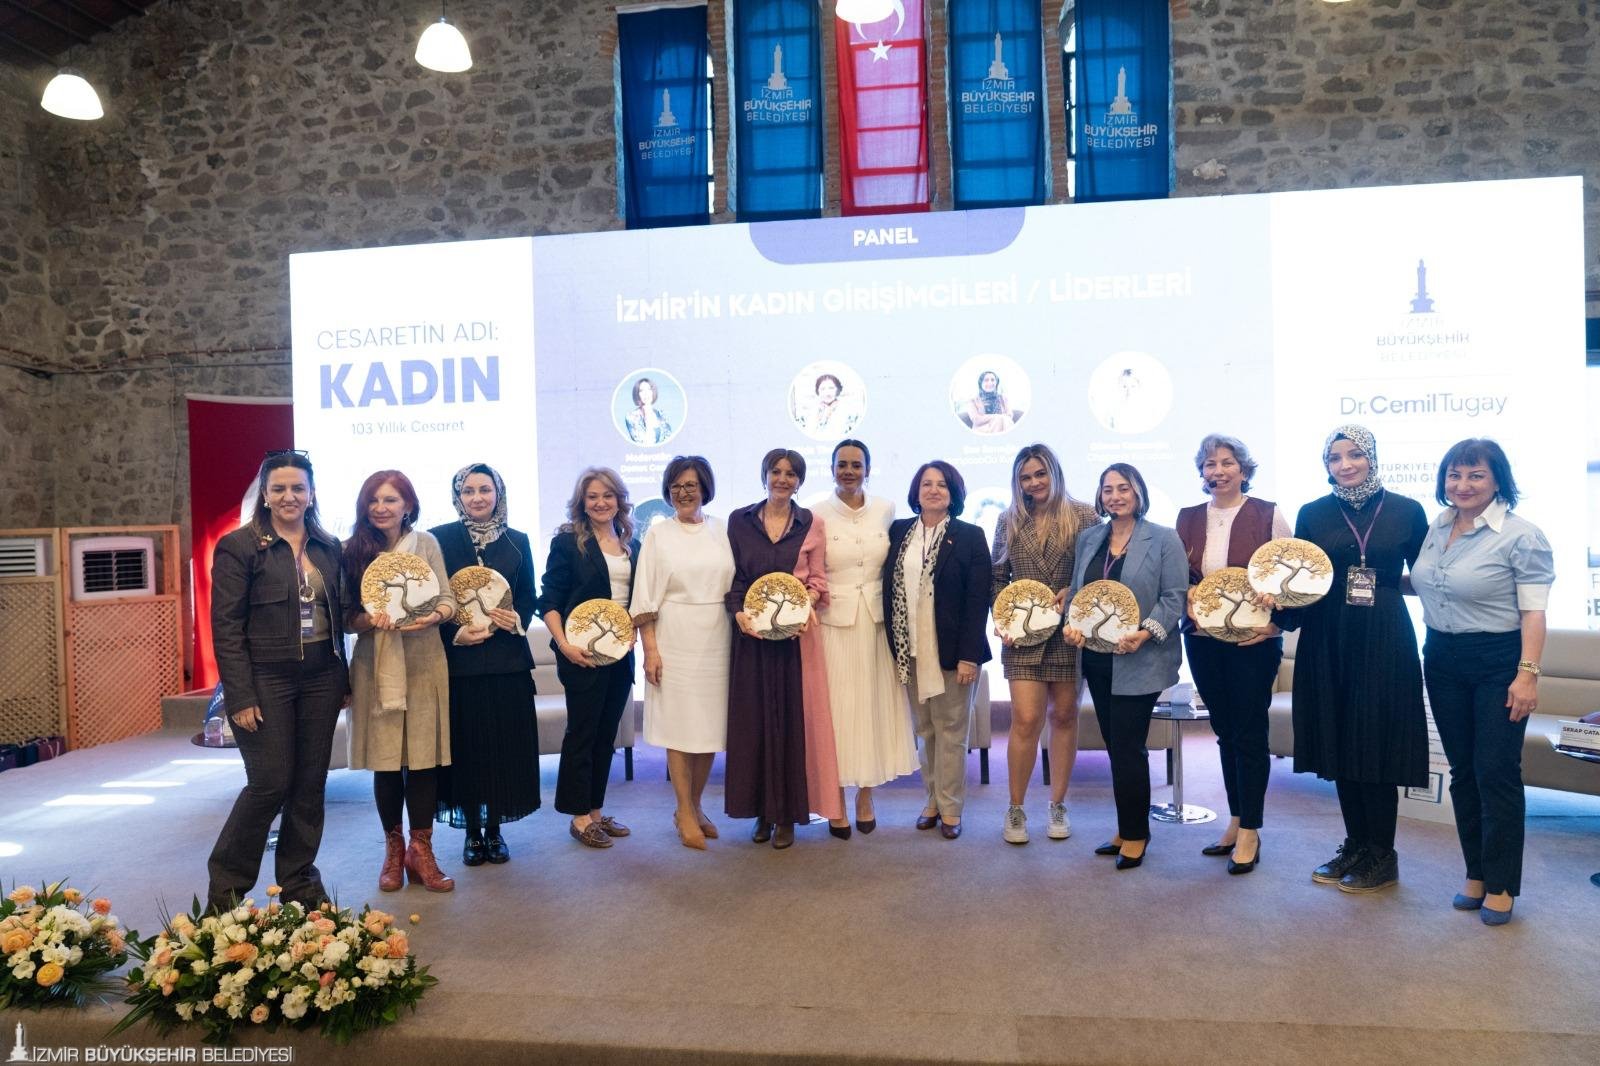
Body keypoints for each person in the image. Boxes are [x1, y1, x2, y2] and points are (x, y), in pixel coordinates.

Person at [1278, 425, 1429, 893]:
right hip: (1328, 636)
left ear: (1372, 457)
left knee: (1377, 739)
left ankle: (1382, 853)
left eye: (1355, 454)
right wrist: (1276, 609)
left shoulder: (1407, 510)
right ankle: (1356, 845)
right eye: (1335, 457)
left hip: (1384, 636)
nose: (1345, 465)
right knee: (1341, 738)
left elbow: (1428, 577)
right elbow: (1302, 580)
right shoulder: (1313, 513)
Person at [1412, 439, 1552, 924]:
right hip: (1441, 658)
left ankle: (1502, 883)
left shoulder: (1521, 536)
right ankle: (1476, 872)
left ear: (1497, 481)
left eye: (1476, 475)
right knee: (1464, 771)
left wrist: (1527, 675)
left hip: (1498, 661)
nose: (1463, 485)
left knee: (1496, 772)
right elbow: (1433, 584)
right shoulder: (1438, 526)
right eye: (1454, 475)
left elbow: (1534, 613)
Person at [206, 451, 348, 913]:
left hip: (323, 677)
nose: (290, 496)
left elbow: (343, 612)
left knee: (309, 783)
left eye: (298, 488)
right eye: (279, 488)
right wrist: (239, 694)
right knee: (269, 782)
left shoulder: (328, 546)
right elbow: (226, 628)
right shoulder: (239, 547)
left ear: (311, 494)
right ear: (265, 495)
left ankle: (300, 884)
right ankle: (225, 894)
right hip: (266, 677)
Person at [1175, 434, 1291, 874]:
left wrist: (1277, 625)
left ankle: (1251, 830)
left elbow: (1290, 581)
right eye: (1210, 464)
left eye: (1227, 463)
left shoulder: (1268, 514)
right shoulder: (1187, 518)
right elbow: (1179, 577)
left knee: (1249, 733)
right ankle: (1236, 819)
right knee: (1225, 731)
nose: (1218, 471)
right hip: (1202, 640)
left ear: (1243, 469)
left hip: (1252, 644)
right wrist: (1187, 594)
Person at [1062, 463, 1186, 869]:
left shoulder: (1164, 538)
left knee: (1129, 746)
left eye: (1123, 488)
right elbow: (1078, 593)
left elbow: (1174, 596)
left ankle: (1135, 834)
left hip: (1141, 658)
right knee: (1116, 746)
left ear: (1138, 493)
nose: (1115, 496)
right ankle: (1126, 826)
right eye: (1108, 489)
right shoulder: (1089, 538)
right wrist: (1072, 626)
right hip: (1097, 657)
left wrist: (1145, 633)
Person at [344, 470, 458, 892]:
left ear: (407, 505)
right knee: (388, 759)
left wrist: (433, 616)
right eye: (373, 500)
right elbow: (346, 617)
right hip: (375, 665)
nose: (381, 508)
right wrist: (369, 620)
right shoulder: (352, 549)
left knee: (423, 759)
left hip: (425, 661)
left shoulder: (426, 544)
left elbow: (447, 599)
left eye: (390, 500)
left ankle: (420, 851)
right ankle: (393, 851)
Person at [725, 448, 845, 848]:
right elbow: (736, 579)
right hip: (751, 640)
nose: (782, 479)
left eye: (791, 474)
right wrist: (738, 614)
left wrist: (802, 605)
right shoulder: (740, 521)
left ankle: (787, 816)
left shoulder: (812, 522)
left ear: (800, 481)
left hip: (795, 641)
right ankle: (761, 813)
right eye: (775, 471)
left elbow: (818, 581)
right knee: (755, 725)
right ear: (764, 476)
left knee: (791, 725)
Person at [429, 463, 540, 867]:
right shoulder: (438, 539)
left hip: (507, 664)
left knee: (503, 750)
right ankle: (471, 833)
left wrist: (517, 617)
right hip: (460, 665)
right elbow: (429, 599)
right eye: (469, 490)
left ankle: (495, 830)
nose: (477, 498)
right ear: (458, 496)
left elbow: (528, 595)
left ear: (498, 494)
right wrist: (454, 634)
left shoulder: (517, 541)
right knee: (468, 749)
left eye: (485, 490)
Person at [990, 443, 1099, 845]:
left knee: (1065, 716)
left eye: (1040, 474)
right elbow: (997, 578)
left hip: (1070, 632)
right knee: (1025, 718)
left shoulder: (1085, 515)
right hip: (1023, 634)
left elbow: (1098, 574)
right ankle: (1016, 808)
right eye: (1025, 477)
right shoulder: (1008, 520)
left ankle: (1058, 805)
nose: (1034, 483)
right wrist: (1001, 619)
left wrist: (1075, 592)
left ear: (1054, 473)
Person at [630, 455, 735, 850]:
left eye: (690, 485)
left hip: (717, 637)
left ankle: (695, 805)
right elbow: (645, 596)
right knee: (679, 727)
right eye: (676, 486)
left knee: (709, 729)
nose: (683, 492)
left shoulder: (722, 529)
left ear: (705, 487)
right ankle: (684, 810)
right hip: (674, 636)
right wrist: (650, 650)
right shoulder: (659, 535)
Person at [883, 460, 992, 839]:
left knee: (951, 732)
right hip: (910, 651)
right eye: (926, 484)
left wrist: (969, 657)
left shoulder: (970, 536)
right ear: (916, 492)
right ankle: (931, 800)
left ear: (953, 493)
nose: (933, 490)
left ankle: (951, 808)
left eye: (942, 484)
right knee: (925, 730)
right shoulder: (899, 532)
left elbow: (977, 601)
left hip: (953, 655)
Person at [815, 440, 916, 837]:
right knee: (838, 713)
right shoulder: (815, 513)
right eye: (842, 464)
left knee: (872, 709)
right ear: (832, 469)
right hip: (833, 625)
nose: (849, 471)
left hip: (876, 624)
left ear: (868, 470)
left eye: (856, 465)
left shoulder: (886, 509)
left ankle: (866, 796)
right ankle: (837, 798)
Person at [538, 467, 640, 849]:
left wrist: (633, 631)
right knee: (582, 734)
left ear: (619, 500)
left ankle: (596, 812)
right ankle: (579, 817)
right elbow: (549, 600)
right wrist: (564, 645)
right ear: (582, 503)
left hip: (619, 656)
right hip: (580, 654)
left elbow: (634, 601)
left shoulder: (631, 544)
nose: (600, 503)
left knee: (605, 735)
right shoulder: (568, 543)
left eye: (607, 495)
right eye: (592, 497)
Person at [625, 377, 673, 445]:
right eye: (641, 390)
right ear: (637, 394)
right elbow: (644, 443)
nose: (646, 393)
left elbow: (669, 440)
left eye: (649, 389)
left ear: (653, 392)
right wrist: (647, 415)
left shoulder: (661, 414)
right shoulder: (631, 417)